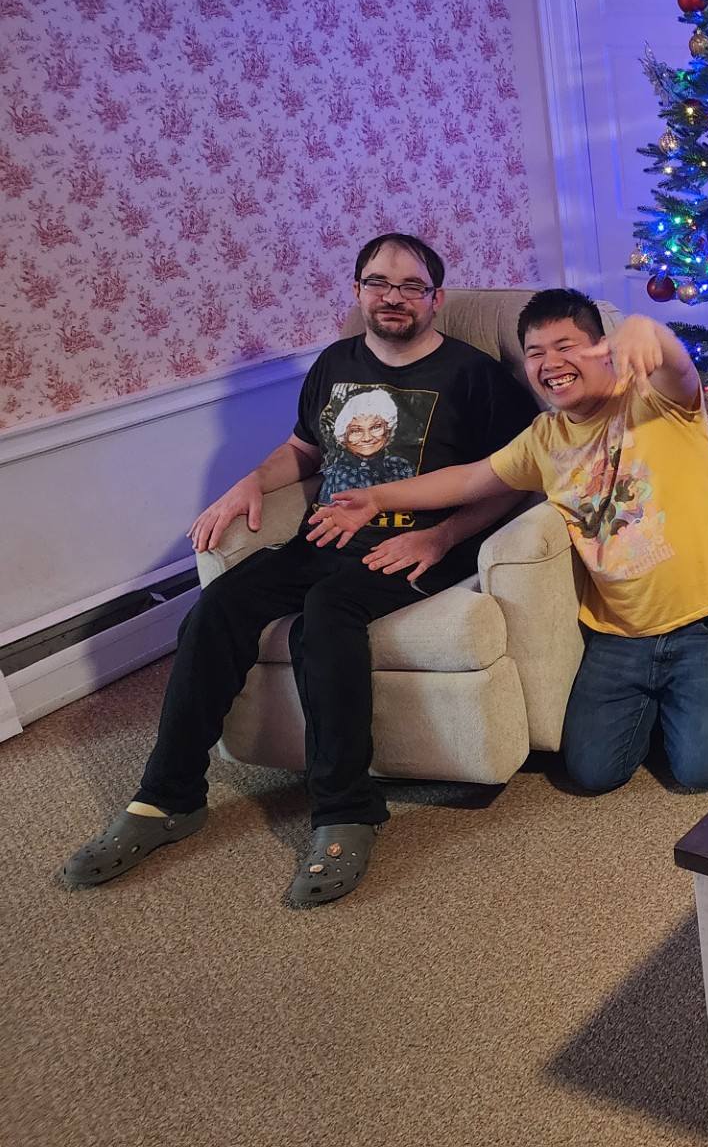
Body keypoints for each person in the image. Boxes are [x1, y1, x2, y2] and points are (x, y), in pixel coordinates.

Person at [61, 234, 537, 907]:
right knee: (215, 610)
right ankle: (165, 799)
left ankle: (347, 809)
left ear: (436, 298)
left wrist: (443, 536)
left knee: (328, 617)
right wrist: (248, 484)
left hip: (417, 545)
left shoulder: (472, 376)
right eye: (378, 282)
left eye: (410, 286)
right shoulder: (335, 364)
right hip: (323, 535)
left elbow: (519, 476)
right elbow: (304, 448)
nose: (392, 297)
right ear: (356, 291)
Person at [307, 289, 708, 797]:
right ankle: (667, 702)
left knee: (701, 772)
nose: (550, 363)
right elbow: (468, 481)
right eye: (536, 353)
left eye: (567, 347)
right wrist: (376, 497)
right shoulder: (544, 437)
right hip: (618, 630)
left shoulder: (657, 401)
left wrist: (650, 330)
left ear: (603, 348)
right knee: (591, 773)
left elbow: (678, 367)